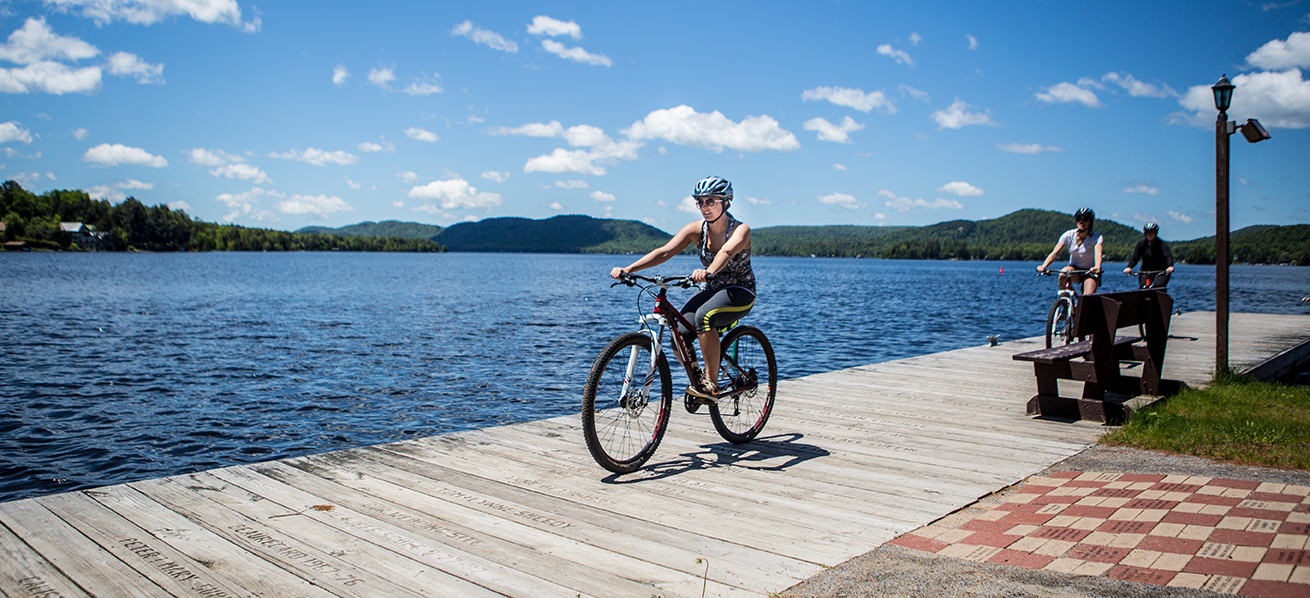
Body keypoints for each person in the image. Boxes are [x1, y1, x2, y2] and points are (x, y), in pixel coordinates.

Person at [610, 176, 755, 400]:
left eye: (711, 201)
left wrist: (709, 272)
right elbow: (664, 252)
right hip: (713, 290)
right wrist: (629, 269)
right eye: (700, 202)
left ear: (725, 202)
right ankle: (697, 381)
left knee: (704, 318)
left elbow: (725, 253)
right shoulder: (696, 230)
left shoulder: (740, 230)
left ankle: (711, 383)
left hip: (740, 291)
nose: (704, 207)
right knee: (678, 332)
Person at [1036, 207, 1103, 295]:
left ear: (1090, 222)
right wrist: (1044, 266)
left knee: (1087, 297)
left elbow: (1098, 254)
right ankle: (1065, 301)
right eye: (1078, 219)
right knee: (1063, 275)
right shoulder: (1068, 235)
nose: (1081, 222)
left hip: (1090, 271)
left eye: (1085, 219)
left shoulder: (1096, 238)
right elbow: (1054, 253)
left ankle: (1081, 304)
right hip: (1074, 268)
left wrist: (1097, 267)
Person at [1123, 222, 1174, 288]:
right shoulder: (1141, 244)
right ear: (1145, 233)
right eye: (1148, 232)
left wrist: (1170, 266)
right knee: (1143, 288)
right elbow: (1135, 258)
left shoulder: (1162, 244)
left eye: (1152, 232)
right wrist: (1129, 267)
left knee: (1158, 287)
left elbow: (1168, 256)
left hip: (1161, 271)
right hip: (1145, 271)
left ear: (1155, 233)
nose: (1150, 234)